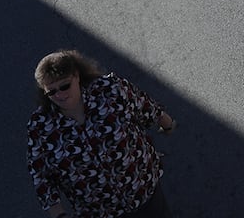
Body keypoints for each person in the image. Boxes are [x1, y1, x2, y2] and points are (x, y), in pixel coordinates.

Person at [26, 50, 176, 218]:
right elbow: (42, 178)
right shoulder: (40, 128)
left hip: (143, 191)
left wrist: (167, 124)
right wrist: (59, 214)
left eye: (64, 85)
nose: (60, 95)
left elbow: (145, 106)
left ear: (77, 76)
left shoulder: (110, 90)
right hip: (101, 213)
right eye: (51, 92)